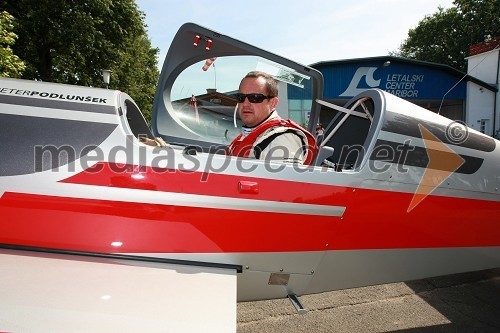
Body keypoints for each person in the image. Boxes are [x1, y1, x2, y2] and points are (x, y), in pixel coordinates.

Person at [227, 71, 317, 164]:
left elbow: (283, 178)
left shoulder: (282, 138)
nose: (245, 104)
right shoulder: (244, 137)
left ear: (273, 103)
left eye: (255, 97)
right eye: (240, 97)